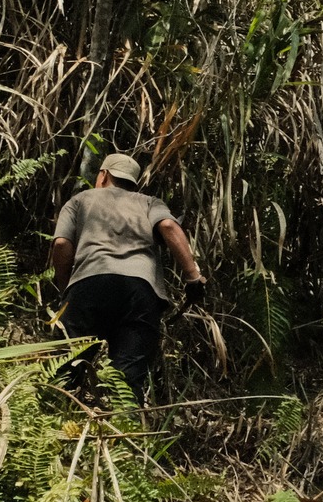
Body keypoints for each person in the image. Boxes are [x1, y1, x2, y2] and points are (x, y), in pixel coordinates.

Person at [50, 153, 206, 405]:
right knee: (127, 379)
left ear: (103, 175)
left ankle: (54, 426)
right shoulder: (149, 202)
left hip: (89, 284)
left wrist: (65, 288)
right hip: (139, 289)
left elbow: (60, 244)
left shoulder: (79, 200)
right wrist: (193, 278)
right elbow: (168, 227)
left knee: (67, 369)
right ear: (133, 183)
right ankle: (122, 433)